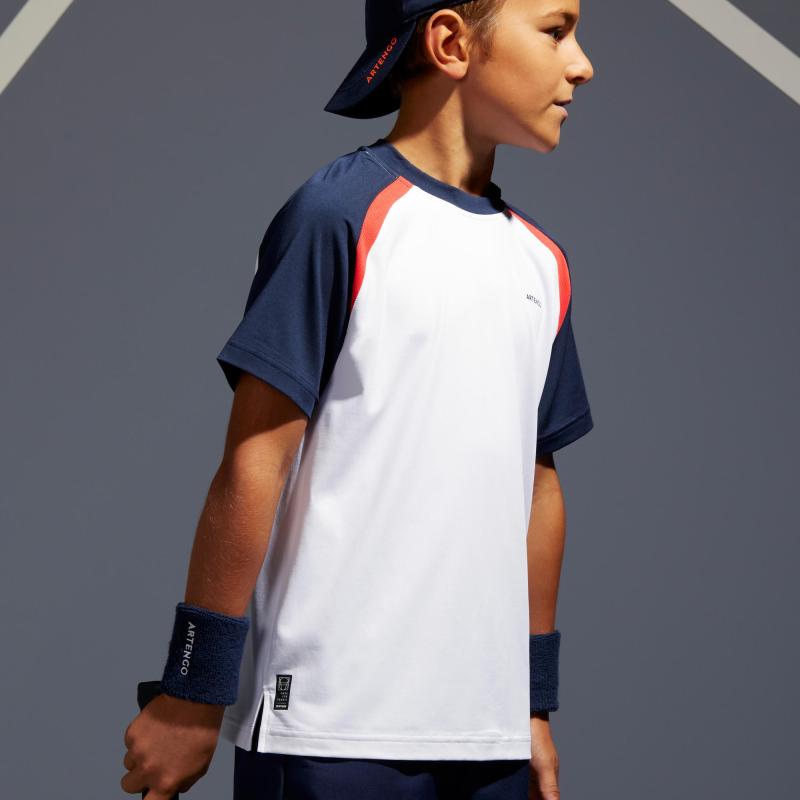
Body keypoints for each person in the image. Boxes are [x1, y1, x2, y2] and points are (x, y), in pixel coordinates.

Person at [120, 0, 595, 798]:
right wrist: (194, 691)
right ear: (449, 42)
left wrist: (532, 705)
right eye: (556, 31)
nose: (582, 64)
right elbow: (255, 463)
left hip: (489, 736)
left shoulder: (540, 262)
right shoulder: (338, 215)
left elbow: (538, 489)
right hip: (328, 730)